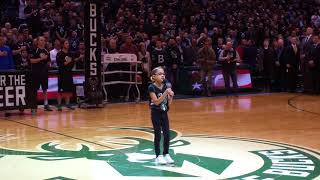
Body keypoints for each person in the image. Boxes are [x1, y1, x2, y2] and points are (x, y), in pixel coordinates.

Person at [148, 67, 174, 165]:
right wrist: (165, 93)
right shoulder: (151, 87)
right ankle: (158, 156)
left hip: (164, 113)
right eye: (159, 74)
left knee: (167, 134)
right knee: (158, 135)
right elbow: (156, 102)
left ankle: (166, 154)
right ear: (154, 77)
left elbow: (167, 104)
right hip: (155, 114)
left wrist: (171, 96)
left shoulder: (165, 86)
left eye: (163, 73)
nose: (162, 75)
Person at [29, 36, 52, 114]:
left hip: (44, 73)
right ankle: (33, 107)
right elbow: (31, 61)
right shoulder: (34, 50)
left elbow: (49, 61)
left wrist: (48, 64)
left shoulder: (46, 51)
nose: (43, 42)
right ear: (38, 41)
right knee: (34, 90)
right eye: (41, 40)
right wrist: (41, 59)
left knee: (45, 89)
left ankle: (46, 104)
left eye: (44, 40)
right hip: (36, 73)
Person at [56, 40, 75, 111]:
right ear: (62, 45)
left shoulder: (70, 54)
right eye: (66, 43)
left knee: (68, 90)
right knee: (60, 90)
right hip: (62, 74)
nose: (68, 44)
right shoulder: (59, 54)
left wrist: (69, 64)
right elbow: (59, 65)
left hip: (69, 73)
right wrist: (66, 63)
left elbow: (72, 63)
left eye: (68, 43)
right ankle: (59, 105)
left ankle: (67, 104)